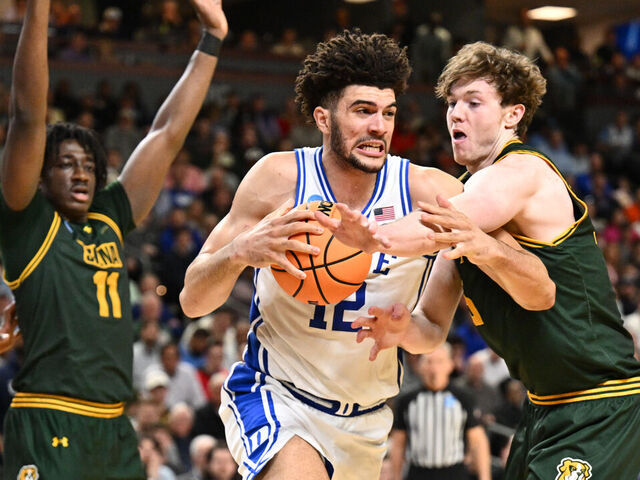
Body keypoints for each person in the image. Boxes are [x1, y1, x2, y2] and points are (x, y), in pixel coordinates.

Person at [180, 29, 548, 480]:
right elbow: (192, 300)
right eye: (362, 111)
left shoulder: (429, 193)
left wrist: (406, 327)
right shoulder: (278, 179)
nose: (379, 126)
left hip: (368, 417)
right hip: (278, 395)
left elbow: (524, 288)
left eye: (388, 113)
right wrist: (240, 251)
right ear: (323, 118)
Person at [322, 42, 640, 478]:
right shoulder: (467, 200)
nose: (455, 114)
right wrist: (401, 329)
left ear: (512, 115)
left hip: (600, 399)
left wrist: (367, 237)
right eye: (451, 103)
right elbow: (432, 328)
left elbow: (429, 232)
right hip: (544, 405)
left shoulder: (519, 173)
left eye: (473, 102)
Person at [0, 0, 228, 477]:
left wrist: (212, 38)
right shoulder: (28, 222)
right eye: (66, 163)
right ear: (39, 177)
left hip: (114, 426)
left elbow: (166, 134)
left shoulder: (107, 218)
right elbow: (27, 114)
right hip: (50, 416)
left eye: (89, 165)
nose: (82, 174)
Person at [390, 343, 491, 480]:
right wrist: (395, 477)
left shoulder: (464, 398)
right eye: (429, 362)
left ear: (450, 365)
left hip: (454, 473)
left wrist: (485, 477)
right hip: (418, 473)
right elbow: (398, 444)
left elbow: (478, 441)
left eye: (440, 361)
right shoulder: (407, 401)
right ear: (421, 366)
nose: (434, 368)